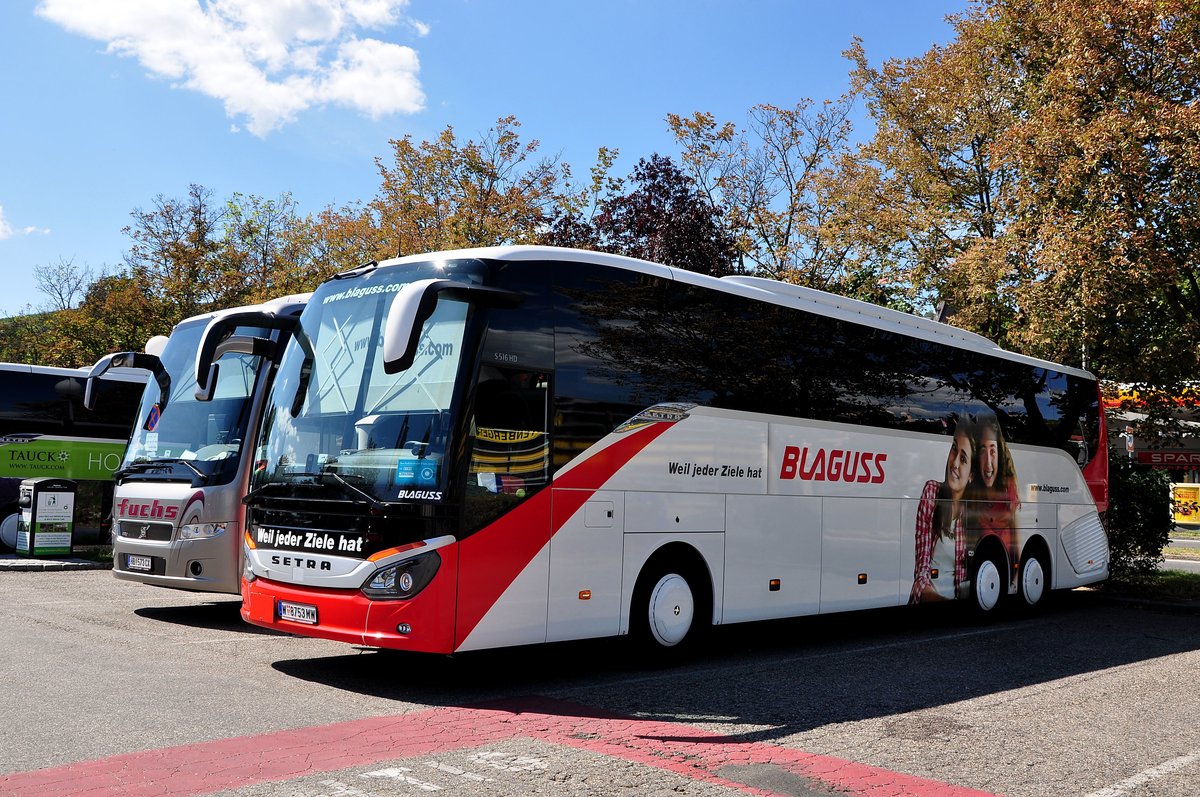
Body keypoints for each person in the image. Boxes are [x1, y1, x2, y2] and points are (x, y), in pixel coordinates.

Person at [909, 417, 978, 604]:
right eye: (954, 449)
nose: (954, 463)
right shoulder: (932, 492)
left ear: (971, 475)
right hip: (929, 600)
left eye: (963, 459)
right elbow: (921, 571)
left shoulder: (973, 513)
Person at [969, 414, 1019, 587]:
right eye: (982, 450)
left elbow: (1015, 544)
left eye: (993, 450)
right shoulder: (969, 495)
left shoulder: (1008, 493)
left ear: (1000, 454)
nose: (988, 464)